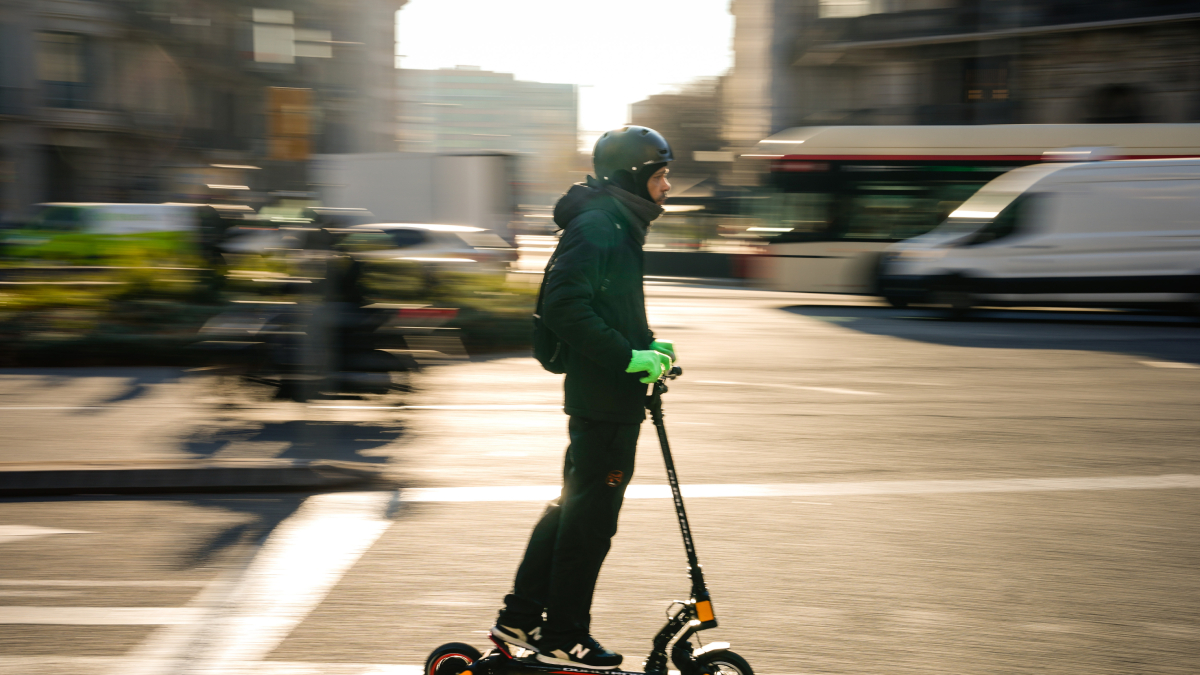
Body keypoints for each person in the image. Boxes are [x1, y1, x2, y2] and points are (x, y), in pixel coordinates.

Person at [491, 126, 677, 670]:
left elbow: (604, 304)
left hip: (606, 397)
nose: (668, 186)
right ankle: (563, 634)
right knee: (589, 523)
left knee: (572, 510)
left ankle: (520, 618)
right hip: (602, 400)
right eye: (661, 175)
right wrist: (627, 357)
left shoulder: (615, 223)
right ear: (634, 177)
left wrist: (645, 343)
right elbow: (565, 309)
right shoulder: (600, 225)